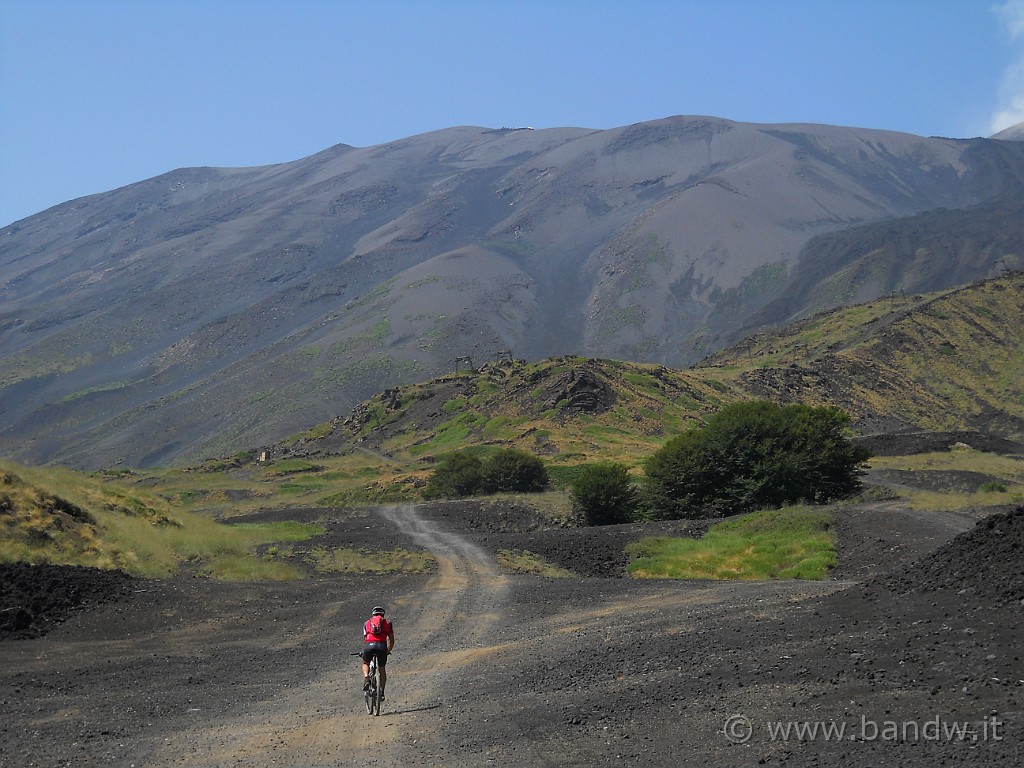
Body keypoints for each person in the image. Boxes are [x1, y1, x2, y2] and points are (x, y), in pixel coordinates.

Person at [361, 605, 395, 700]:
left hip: (369, 646)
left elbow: (366, 639)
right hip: (382, 647)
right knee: (382, 669)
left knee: (365, 663)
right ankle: (381, 692)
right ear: (383, 615)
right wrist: (388, 651)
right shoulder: (388, 623)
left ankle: (367, 677)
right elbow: (391, 640)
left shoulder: (366, 623)